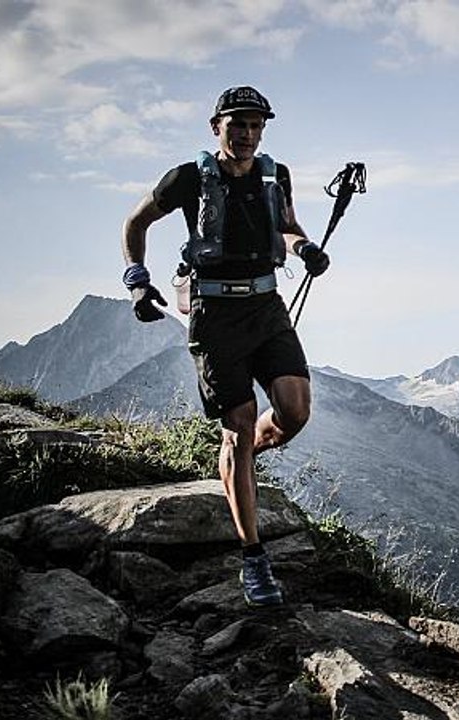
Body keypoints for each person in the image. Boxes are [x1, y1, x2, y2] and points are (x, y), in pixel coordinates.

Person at [120, 85, 329, 607]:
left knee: (295, 411)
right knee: (238, 423)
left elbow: (286, 227)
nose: (247, 134)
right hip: (215, 315)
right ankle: (254, 559)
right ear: (217, 127)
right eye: (238, 124)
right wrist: (137, 281)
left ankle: (240, 460)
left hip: (267, 306)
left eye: (256, 125)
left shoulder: (275, 175)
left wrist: (304, 248)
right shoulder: (187, 178)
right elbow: (135, 222)